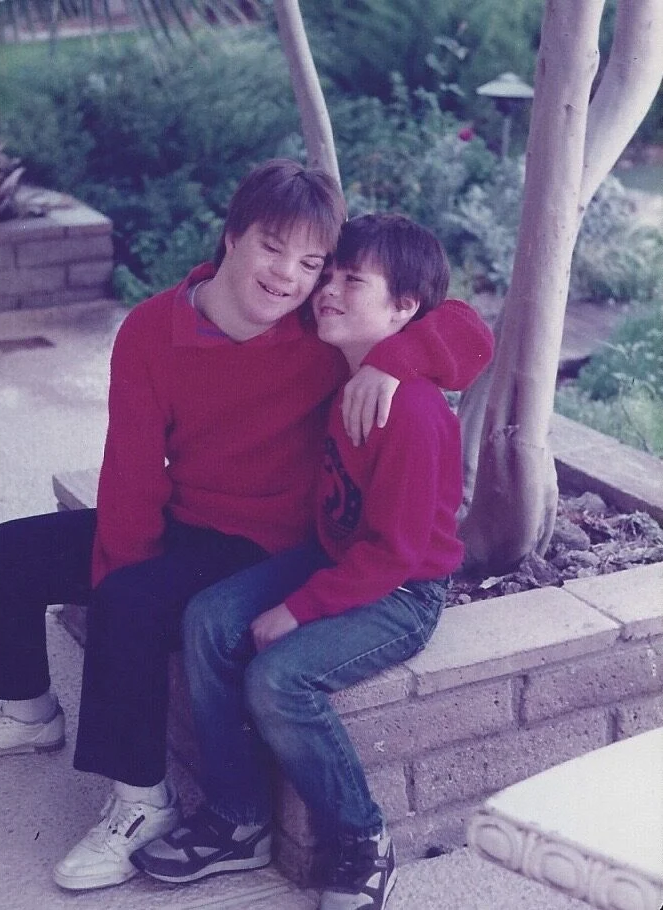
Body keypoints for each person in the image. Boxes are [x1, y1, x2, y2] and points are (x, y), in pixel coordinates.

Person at [0, 160, 468, 893]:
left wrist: (393, 360)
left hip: (269, 542)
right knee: (3, 553)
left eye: (311, 263)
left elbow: (458, 324)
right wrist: (126, 573)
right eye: (272, 247)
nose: (289, 276)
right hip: (187, 516)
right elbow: (132, 470)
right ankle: (26, 711)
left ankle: (142, 803)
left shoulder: (321, 327)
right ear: (233, 236)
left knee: (131, 603)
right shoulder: (154, 329)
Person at [131, 214, 494, 910]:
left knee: (278, 679)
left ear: (403, 309)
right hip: (334, 555)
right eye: (329, 274)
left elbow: (393, 555)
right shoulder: (344, 360)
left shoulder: (412, 413)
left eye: (352, 281)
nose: (326, 290)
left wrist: (299, 610)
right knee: (207, 618)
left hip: (401, 591)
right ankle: (239, 818)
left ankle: (362, 839)